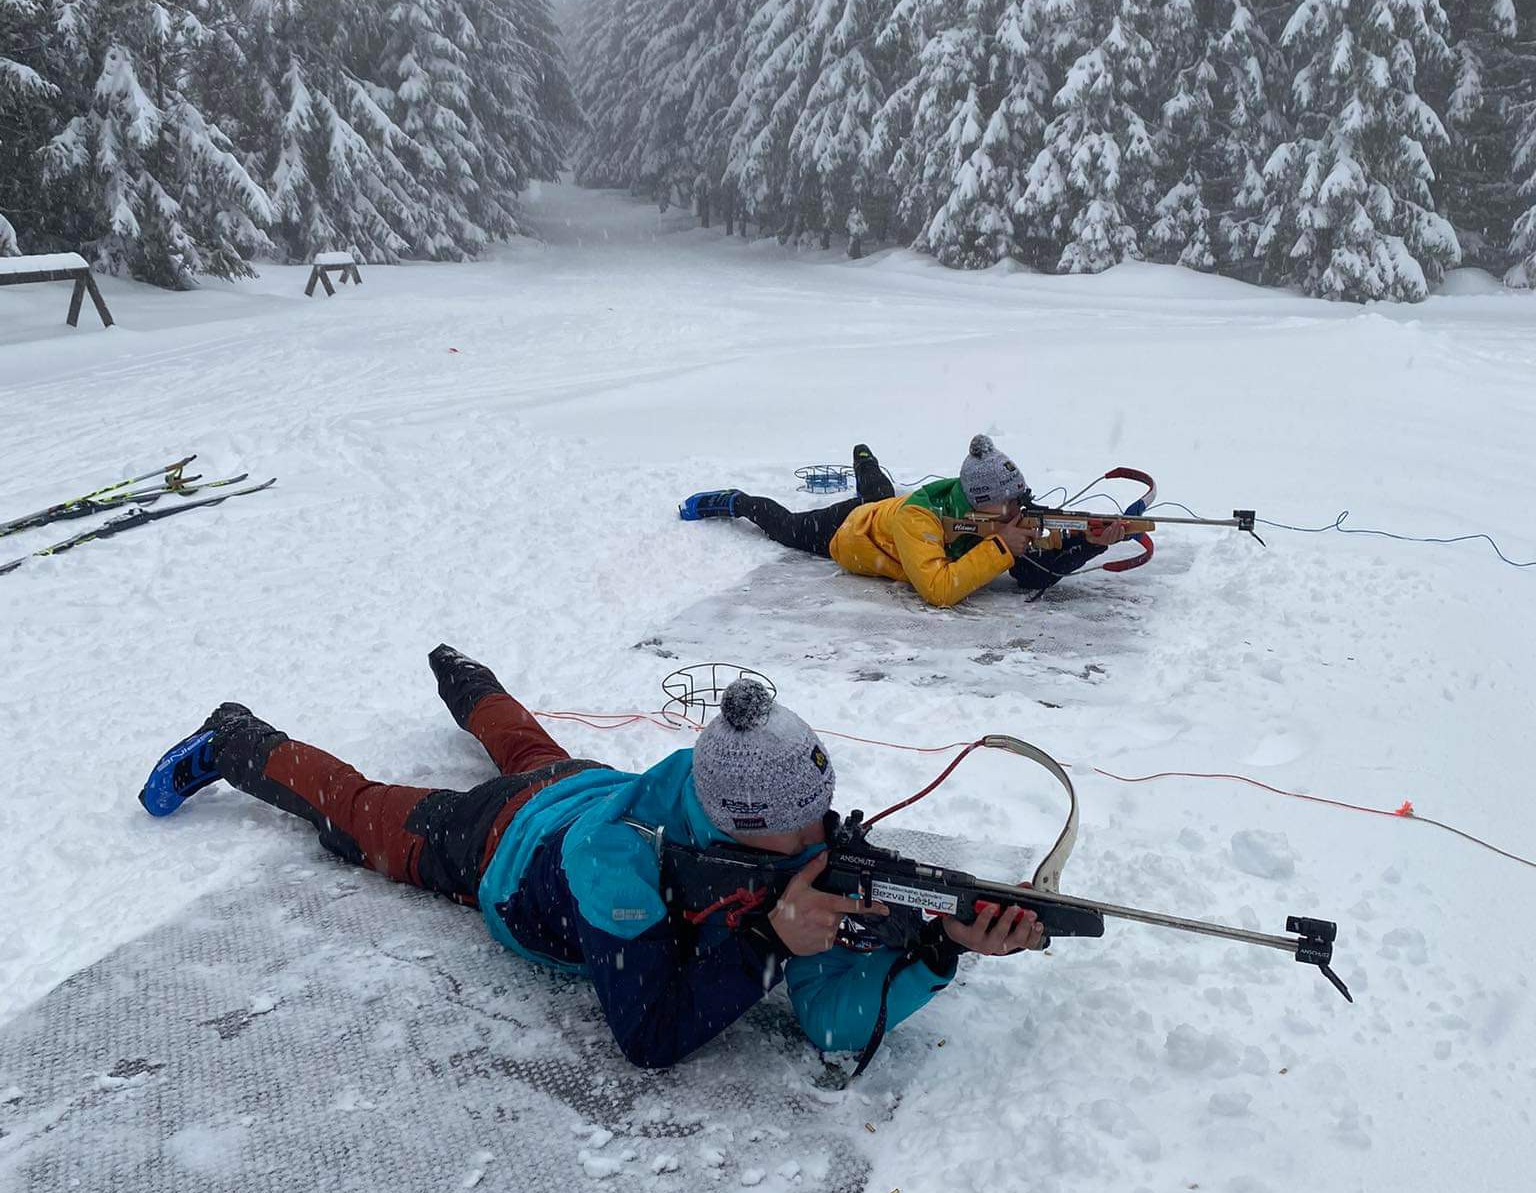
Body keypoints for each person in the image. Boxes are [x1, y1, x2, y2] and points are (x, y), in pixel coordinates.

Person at [137, 654, 1042, 1069]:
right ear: (737, 825)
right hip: (501, 843)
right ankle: (238, 741)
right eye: (794, 833)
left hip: (582, 781)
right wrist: (771, 935)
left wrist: (938, 949)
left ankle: (466, 677)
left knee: (535, 749)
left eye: (821, 822)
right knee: (362, 815)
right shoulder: (620, 868)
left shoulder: (758, 814)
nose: (820, 848)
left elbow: (835, 1026)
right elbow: (648, 1039)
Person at [679, 435, 1131, 606]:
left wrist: (1093, 541)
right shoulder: (923, 520)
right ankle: (736, 501)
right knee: (787, 525)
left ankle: (863, 457)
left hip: (889, 511)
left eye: (1020, 501)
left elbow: (1033, 574)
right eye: (1009, 505)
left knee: (878, 492)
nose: (1019, 512)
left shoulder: (983, 515)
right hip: (851, 533)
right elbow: (938, 590)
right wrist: (1001, 548)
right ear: (980, 502)